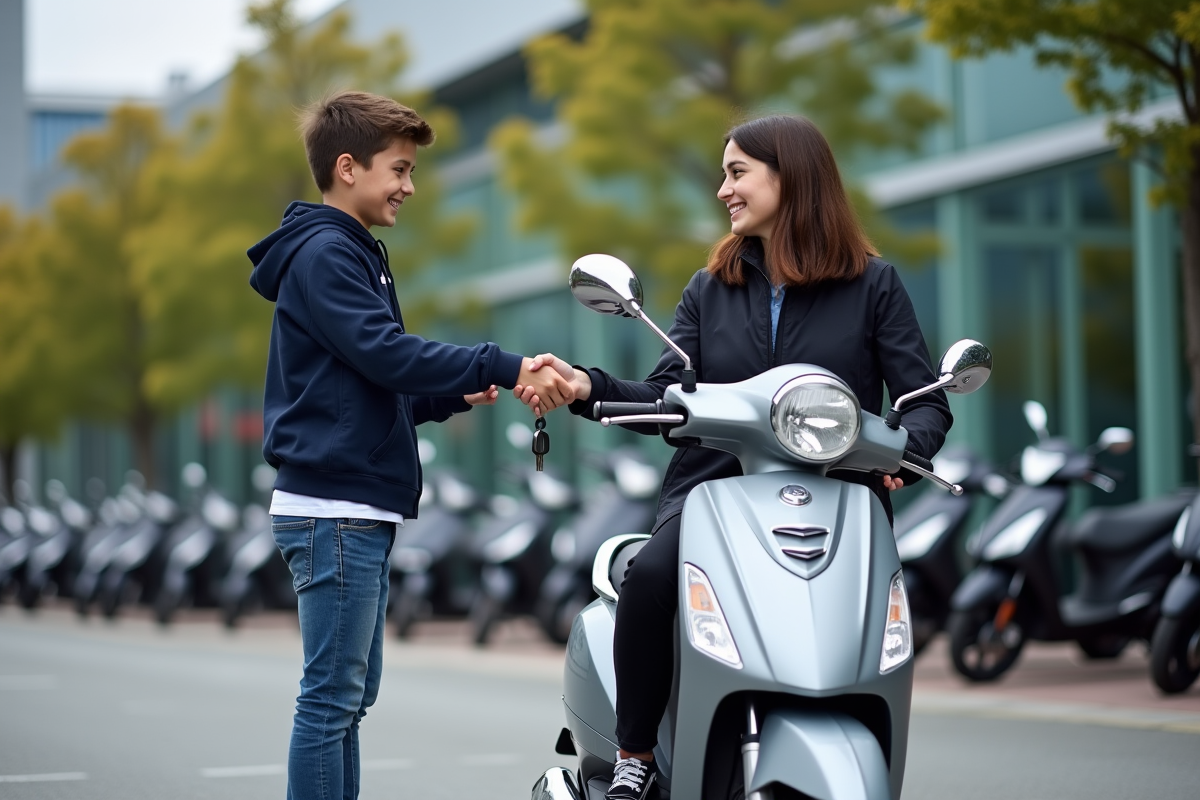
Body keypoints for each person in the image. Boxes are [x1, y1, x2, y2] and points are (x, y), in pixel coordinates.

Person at [516, 114, 952, 800]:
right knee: (652, 575)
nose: (724, 189)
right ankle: (635, 753)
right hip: (715, 491)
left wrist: (907, 449)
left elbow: (926, 400)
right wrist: (583, 385)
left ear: (792, 177)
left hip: (840, 497)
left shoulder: (874, 285)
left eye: (737, 172)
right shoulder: (710, 287)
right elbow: (666, 393)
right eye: (725, 173)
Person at [247, 90, 572, 800]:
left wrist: (451, 393)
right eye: (398, 169)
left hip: (349, 505)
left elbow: (368, 381)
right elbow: (385, 354)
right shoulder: (328, 253)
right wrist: (499, 364)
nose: (408, 186)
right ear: (347, 168)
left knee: (347, 703)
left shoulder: (348, 251)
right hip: (334, 509)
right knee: (332, 702)